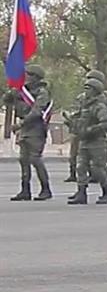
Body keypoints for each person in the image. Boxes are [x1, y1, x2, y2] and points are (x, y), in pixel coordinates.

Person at [4, 64, 53, 201]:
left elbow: (37, 112)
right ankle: (25, 190)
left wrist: (20, 124)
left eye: (29, 75)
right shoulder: (22, 91)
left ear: (36, 77)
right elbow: (6, 100)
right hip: (24, 129)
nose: (27, 77)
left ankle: (46, 189)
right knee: (23, 160)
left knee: (35, 159)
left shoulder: (42, 92)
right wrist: (12, 90)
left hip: (36, 129)